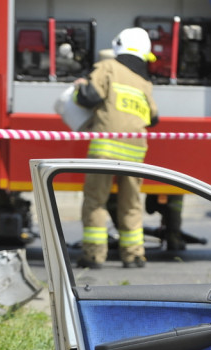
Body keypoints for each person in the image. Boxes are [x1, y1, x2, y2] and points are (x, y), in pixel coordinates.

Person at [73, 27, 159, 268]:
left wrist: (80, 86)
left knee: (95, 200)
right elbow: (154, 118)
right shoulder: (144, 82)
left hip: (106, 148)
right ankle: (133, 255)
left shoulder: (107, 67)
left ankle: (93, 256)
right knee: (131, 203)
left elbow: (89, 97)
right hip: (135, 151)